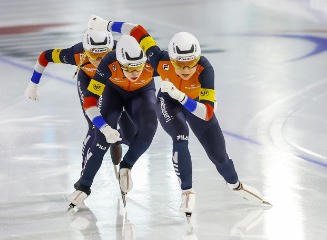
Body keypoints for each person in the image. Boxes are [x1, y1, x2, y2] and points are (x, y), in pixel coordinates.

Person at [87, 16, 271, 218]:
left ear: (197, 60)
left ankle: (235, 185)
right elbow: (136, 30)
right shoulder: (159, 59)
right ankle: (186, 191)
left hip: (193, 104)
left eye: (190, 63)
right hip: (169, 103)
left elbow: (207, 112)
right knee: (180, 137)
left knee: (220, 158)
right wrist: (105, 25)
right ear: (171, 59)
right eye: (179, 64)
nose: (185, 70)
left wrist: (182, 97)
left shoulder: (205, 69)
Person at [24, 30, 136, 186]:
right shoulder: (76, 54)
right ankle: (84, 175)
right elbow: (45, 56)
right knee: (94, 127)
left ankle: (118, 138)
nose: (98, 60)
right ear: (85, 52)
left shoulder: (122, 52)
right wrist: (32, 85)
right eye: (93, 54)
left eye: (104, 54)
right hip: (89, 83)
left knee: (131, 134)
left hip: (114, 84)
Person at [67, 35, 158, 209]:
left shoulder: (155, 61)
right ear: (118, 62)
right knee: (101, 138)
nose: (134, 73)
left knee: (149, 129)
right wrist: (105, 127)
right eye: (129, 68)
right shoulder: (108, 63)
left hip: (142, 93)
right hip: (113, 93)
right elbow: (89, 102)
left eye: (138, 67)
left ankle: (126, 165)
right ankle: (84, 185)